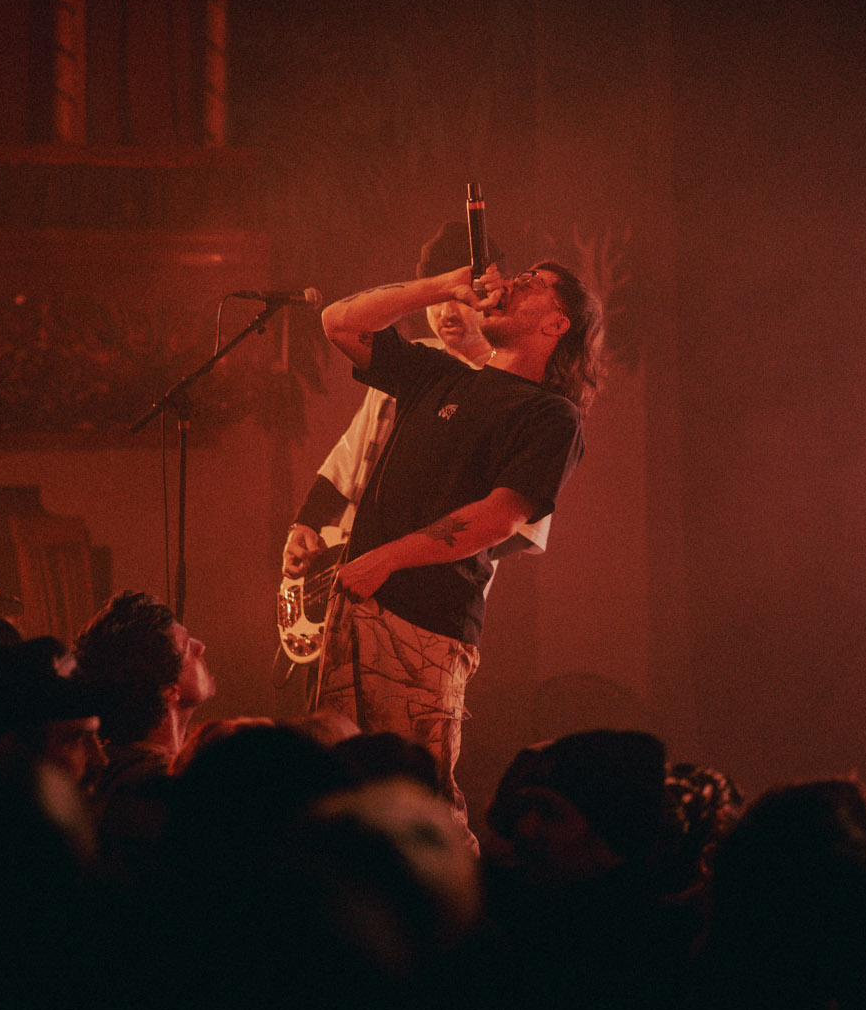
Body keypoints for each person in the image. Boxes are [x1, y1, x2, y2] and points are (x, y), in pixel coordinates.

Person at [310, 253, 601, 815]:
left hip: (424, 624)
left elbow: (498, 518)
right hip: (358, 603)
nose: (513, 284)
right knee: (341, 795)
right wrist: (444, 286)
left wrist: (385, 560)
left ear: (557, 324)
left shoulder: (550, 415)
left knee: (418, 802)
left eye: (533, 285)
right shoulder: (436, 374)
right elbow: (339, 322)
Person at [281, 220, 553, 698]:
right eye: (438, 297)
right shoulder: (420, 362)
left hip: (424, 616)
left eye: (461, 296)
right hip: (347, 590)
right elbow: (349, 460)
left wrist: (398, 559)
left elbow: (512, 528)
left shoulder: (520, 395)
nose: (447, 310)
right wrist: (305, 525)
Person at [71, 592, 214, 799]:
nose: (200, 647)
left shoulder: (107, 770)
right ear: (168, 689)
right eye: (186, 647)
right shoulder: (167, 787)